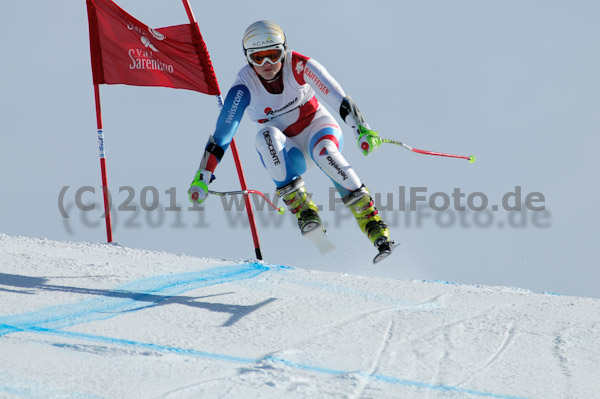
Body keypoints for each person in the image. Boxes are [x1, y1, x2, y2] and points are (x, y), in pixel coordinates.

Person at [189, 20, 394, 261]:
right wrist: (203, 176)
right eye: (258, 58)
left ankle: (371, 220)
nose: (267, 64)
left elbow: (337, 96)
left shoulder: (298, 65)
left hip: (318, 129)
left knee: (324, 153)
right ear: (248, 58)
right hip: (289, 151)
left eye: (273, 55)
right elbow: (223, 134)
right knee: (265, 137)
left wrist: (361, 128)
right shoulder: (244, 86)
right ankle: (303, 209)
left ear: (284, 50)